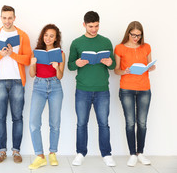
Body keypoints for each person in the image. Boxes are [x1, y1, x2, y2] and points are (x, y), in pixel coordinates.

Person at [68, 11, 116, 167]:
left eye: (96, 26)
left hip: (102, 89)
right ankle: (80, 153)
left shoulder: (106, 42)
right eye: (91, 26)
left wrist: (110, 63)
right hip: (83, 89)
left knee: (104, 123)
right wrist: (78, 63)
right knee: (82, 123)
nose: (94, 29)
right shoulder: (76, 43)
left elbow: (114, 65)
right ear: (84, 25)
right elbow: (70, 65)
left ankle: (107, 154)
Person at [0, 5, 32, 163]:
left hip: (18, 81)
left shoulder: (22, 35)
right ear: (1, 18)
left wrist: (12, 54)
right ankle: (2, 151)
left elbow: (27, 60)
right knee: (0, 117)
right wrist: (0, 54)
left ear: (14, 18)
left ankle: (16, 151)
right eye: (4, 18)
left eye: (10, 18)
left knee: (17, 117)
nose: (7, 21)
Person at [114, 21, 156, 167]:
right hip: (127, 89)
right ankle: (132, 153)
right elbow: (116, 70)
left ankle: (141, 153)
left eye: (139, 35)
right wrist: (124, 71)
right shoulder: (119, 48)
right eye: (133, 35)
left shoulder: (146, 47)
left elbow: (150, 64)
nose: (136, 38)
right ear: (128, 33)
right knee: (130, 122)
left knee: (142, 123)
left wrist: (151, 67)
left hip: (144, 89)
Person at [28, 24, 65, 170]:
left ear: (56, 38)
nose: (48, 38)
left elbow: (61, 76)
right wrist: (32, 64)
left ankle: (52, 153)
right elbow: (32, 74)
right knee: (33, 123)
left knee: (54, 123)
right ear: (42, 36)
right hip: (39, 86)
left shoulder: (60, 53)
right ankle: (40, 156)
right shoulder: (35, 52)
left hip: (55, 86)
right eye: (46, 35)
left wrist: (56, 67)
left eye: (51, 35)